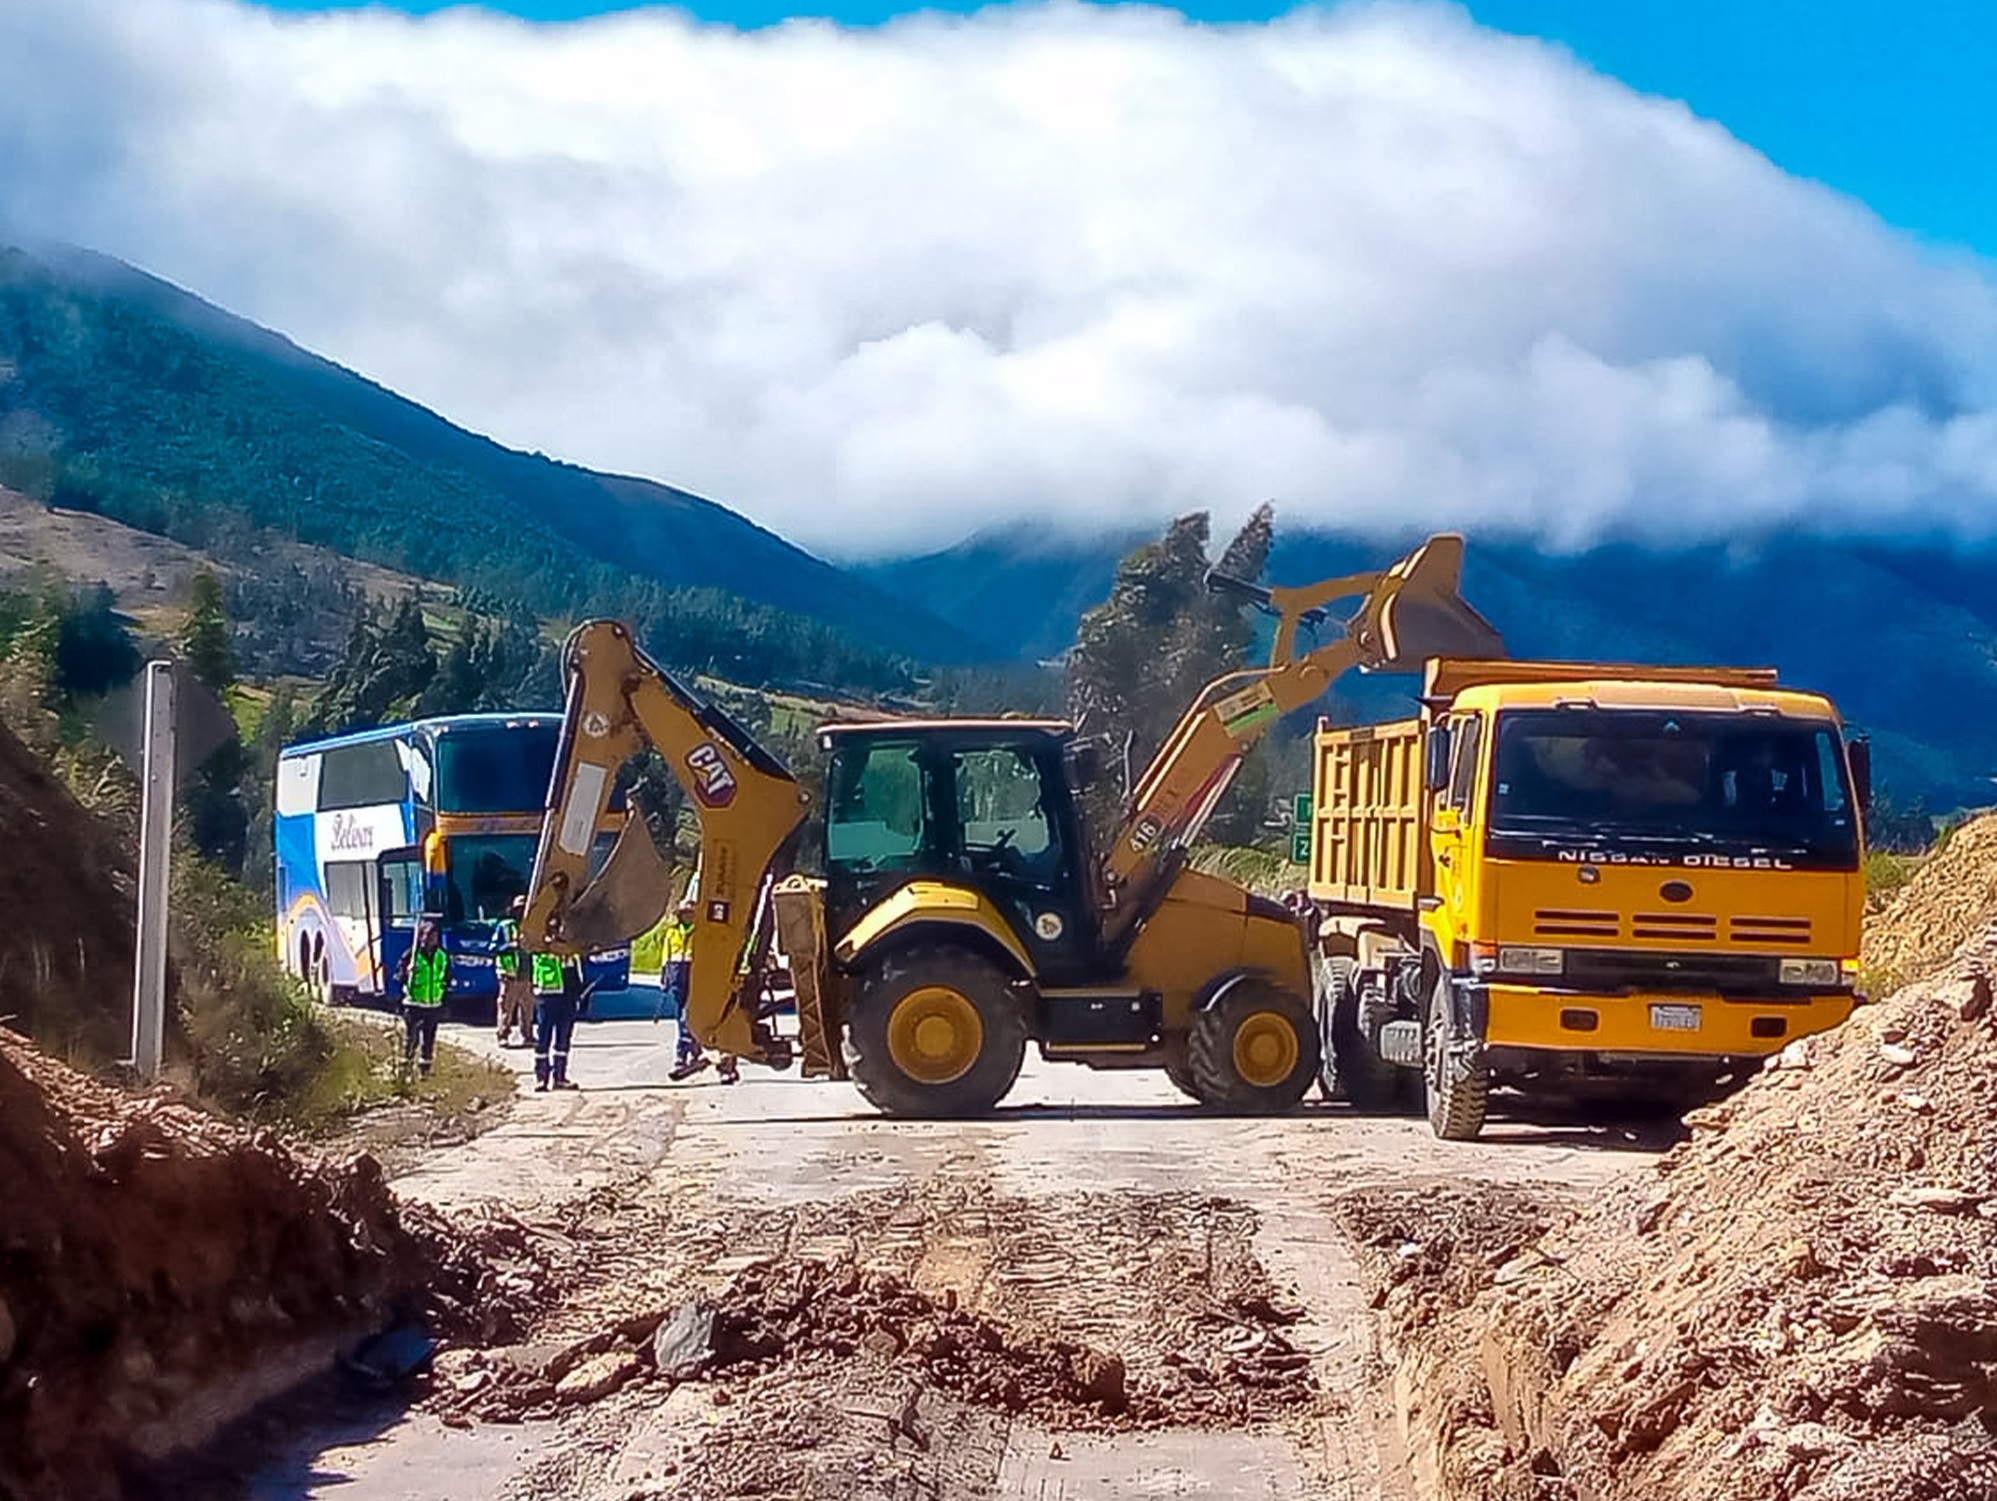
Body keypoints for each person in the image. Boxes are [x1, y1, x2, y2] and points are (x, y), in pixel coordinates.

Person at [662, 901, 710, 1081]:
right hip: (676, 974)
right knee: (680, 1015)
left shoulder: (700, 932)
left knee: (687, 1015)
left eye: (690, 913)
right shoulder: (672, 932)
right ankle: (691, 1050)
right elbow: (666, 955)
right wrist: (664, 977)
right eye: (685, 913)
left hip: (693, 973)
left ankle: (683, 1053)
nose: (687, 916)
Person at [396, 919, 449, 1077]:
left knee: (429, 1040)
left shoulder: (442, 955)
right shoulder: (411, 955)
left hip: (433, 1005)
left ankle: (424, 1072)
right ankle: (405, 1070)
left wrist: (445, 999)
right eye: (429, 935)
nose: (432, 939)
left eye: (435, 935)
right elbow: (398, 976)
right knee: (412, 1038)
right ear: (421, 937)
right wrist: (407, 972)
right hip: (414, 1004)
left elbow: (446, 978)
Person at [530, 945, 583, 1092]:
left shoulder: (571, 949)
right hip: (547, 997)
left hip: (568, 997)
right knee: (543, 1038)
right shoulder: (540, 945)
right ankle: (541, 1078)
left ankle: (560, 1077)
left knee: (563, 1039)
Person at [493, 896, 532, 1048]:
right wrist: (510, 945)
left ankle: (527, 1035)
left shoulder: (530, 927)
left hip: (526, 974)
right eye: (519, 909)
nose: (521, 912)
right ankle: (503, 1034)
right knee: (506, 1007)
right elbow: (493, 947)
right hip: (509, 974)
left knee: (528, 1008)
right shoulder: (504, 926)